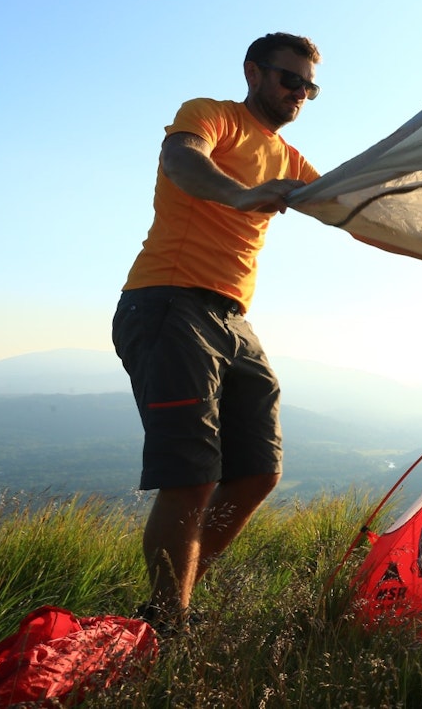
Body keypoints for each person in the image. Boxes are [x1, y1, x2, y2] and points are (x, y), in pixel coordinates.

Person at [112, 32, 323, 631]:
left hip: (233, 318)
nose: (300, 94)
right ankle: (169, 625)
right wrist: (242, 194)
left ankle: (162, 611)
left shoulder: (288, 156)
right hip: (167, 300)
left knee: (258, 470)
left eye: (310, 87)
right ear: (254, 72)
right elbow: (180, 161)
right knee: (193, 475)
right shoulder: (212, 117)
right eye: (290, 79)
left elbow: (348, 199)